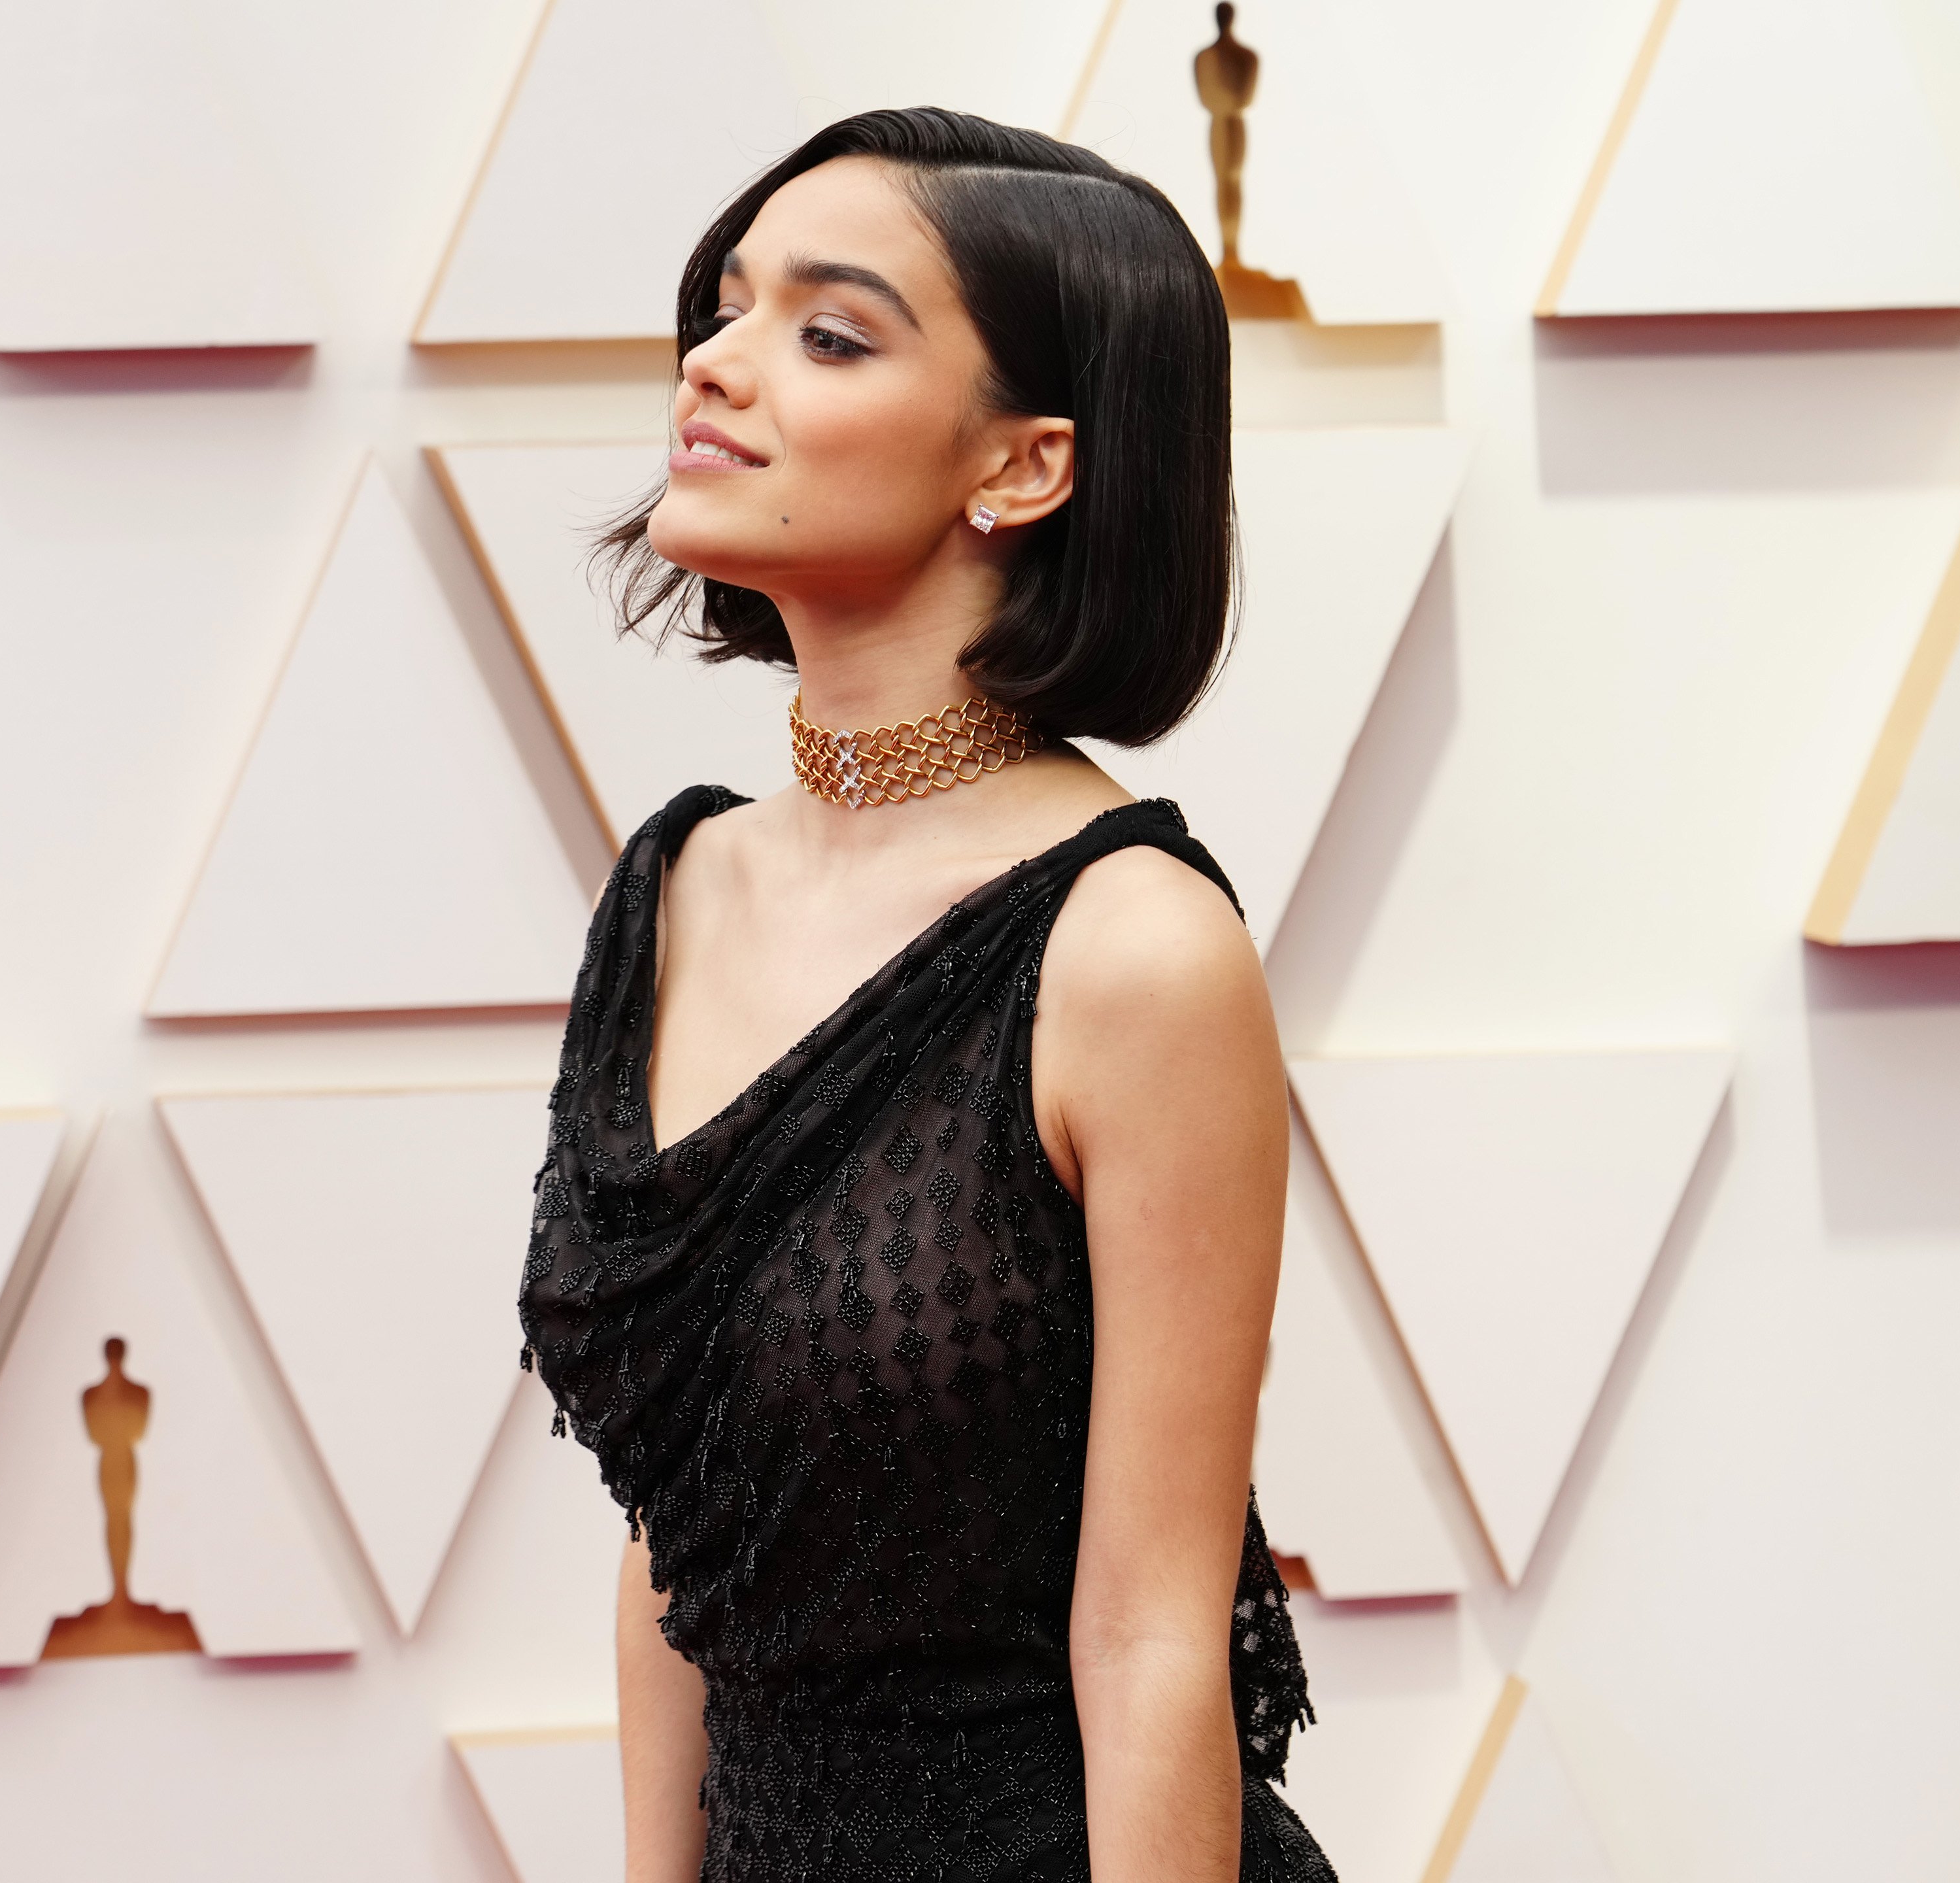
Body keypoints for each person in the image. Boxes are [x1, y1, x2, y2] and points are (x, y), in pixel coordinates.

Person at [517, 109, 1332, 1882]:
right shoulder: (678, 887)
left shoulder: (1131, 946)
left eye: (828, 331)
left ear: (1024, 469)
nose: (715, 369)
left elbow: (1149, 1644)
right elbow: (683, 1550)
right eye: (723, 310)